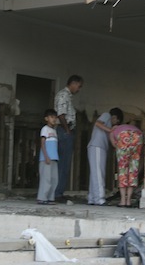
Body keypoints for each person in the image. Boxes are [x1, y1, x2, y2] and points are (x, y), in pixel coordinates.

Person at [54, 74, 83, 202]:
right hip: (64, 130)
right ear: (73, 83)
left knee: (65, 163)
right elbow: (61, 115)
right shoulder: (63, 95)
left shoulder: (67, 96)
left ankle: (58, 191)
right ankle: (57, 193)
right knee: (63, 163)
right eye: (79, 86)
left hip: (66, 130)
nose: (79, 89)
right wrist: (67, 130)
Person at [109, 109, 143, 208]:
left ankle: (123, 201)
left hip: (124, 137)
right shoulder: (133, 127)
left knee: (123, 170)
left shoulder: (113, 130)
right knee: (133, 171)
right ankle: (128, 201)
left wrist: (121, 152)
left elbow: (114, 145)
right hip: (138, 136)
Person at [87, 109, 120, 205]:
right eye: (116, 121)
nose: (115, 123)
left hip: (98, 147)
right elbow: (97, 123)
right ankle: (100, 199)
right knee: (98, 173)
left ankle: (92, 198)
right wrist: (110, 130)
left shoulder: (108, 124)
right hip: (97, 146)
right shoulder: (107, 115)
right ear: (114, 117)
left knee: (95, 173)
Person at [37, 108, 59, 205]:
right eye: (51, 117)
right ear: (46, 118)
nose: (53, 119)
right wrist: (46, 156)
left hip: (54, 158)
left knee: (54, 179)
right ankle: (42, 198)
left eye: (55, 117)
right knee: (46, 179)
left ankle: (50, 198)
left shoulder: (54, 131)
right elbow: (42, 144)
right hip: (46, 159)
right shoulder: (45, 129)